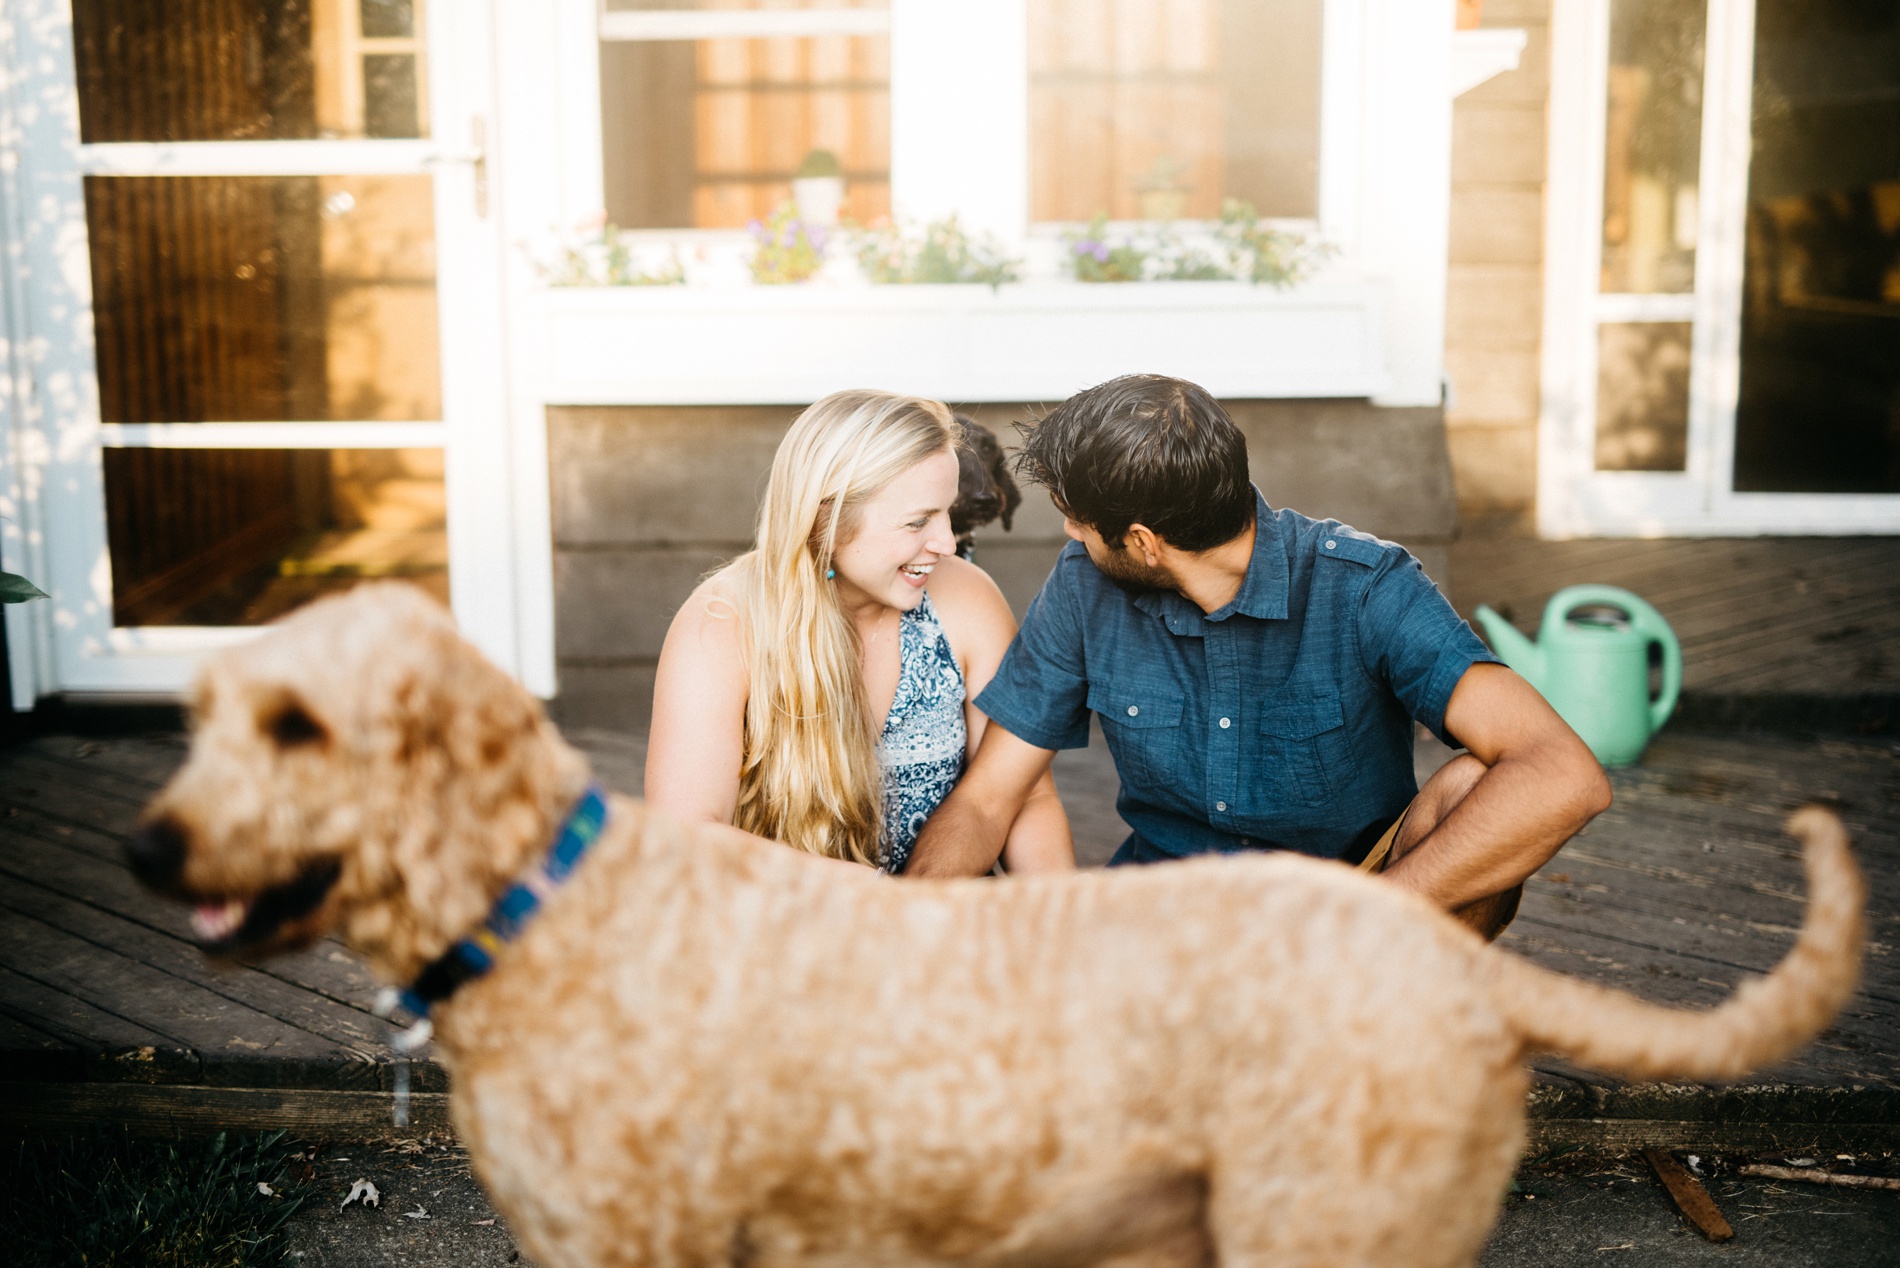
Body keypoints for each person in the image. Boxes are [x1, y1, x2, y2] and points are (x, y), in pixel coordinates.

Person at [903, 375, 1610, 937]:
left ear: (1145, 541)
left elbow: (1563, 777)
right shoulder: (1084, 583)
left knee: (1470, 787)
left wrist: (1357, 925)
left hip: (1354, 920)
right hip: (1165, 922)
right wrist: (892, 930)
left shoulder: (1366, 587)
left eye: (1080, 522)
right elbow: (991, 796)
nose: (1068, 531)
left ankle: (1368, 1022)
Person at [645, 389, 1075, 875]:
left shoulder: (966, 598)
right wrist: (865, 901)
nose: (946, 544)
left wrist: (1060, 927)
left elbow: (1027, 797)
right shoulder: (725, 621)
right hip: (782, 932)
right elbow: (685, 834)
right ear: (827, 518)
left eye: (946, 515)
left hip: (945, 929)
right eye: (917, 522)